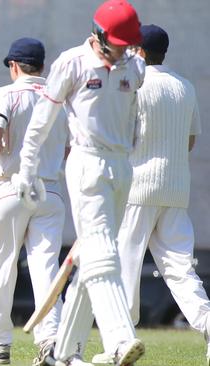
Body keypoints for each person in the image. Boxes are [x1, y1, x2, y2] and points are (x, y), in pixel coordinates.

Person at [15, 1, 146, 365]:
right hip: (87, 162)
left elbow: (134, 117)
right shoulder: (72, 62)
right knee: (103, 252)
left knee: (97, 257)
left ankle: (62, 353)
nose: (122, 49)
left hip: (122, 166)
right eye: (117, 42)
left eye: (127, 43)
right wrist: (28, 168)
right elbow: (43, 118)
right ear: (99, 35)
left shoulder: (135, 67)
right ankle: (120, 339)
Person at [97, 24, 209, 365]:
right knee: (180, 269)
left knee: (125, 264)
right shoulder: (185, 86)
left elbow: (119, 135)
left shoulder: (135, 86)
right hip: (175, 189)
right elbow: (189, 141)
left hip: (137, 187)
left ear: (140, 52)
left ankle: (121, 341)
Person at [0, 38, 68, 365]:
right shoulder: (60, 97)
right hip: (50, 189)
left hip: (12, 186)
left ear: (14, 66)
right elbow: (70, 147)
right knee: (46, 266)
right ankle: (51, 339)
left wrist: (2, 152)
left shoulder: (6, 93)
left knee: (2, 263)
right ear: (42, 67)